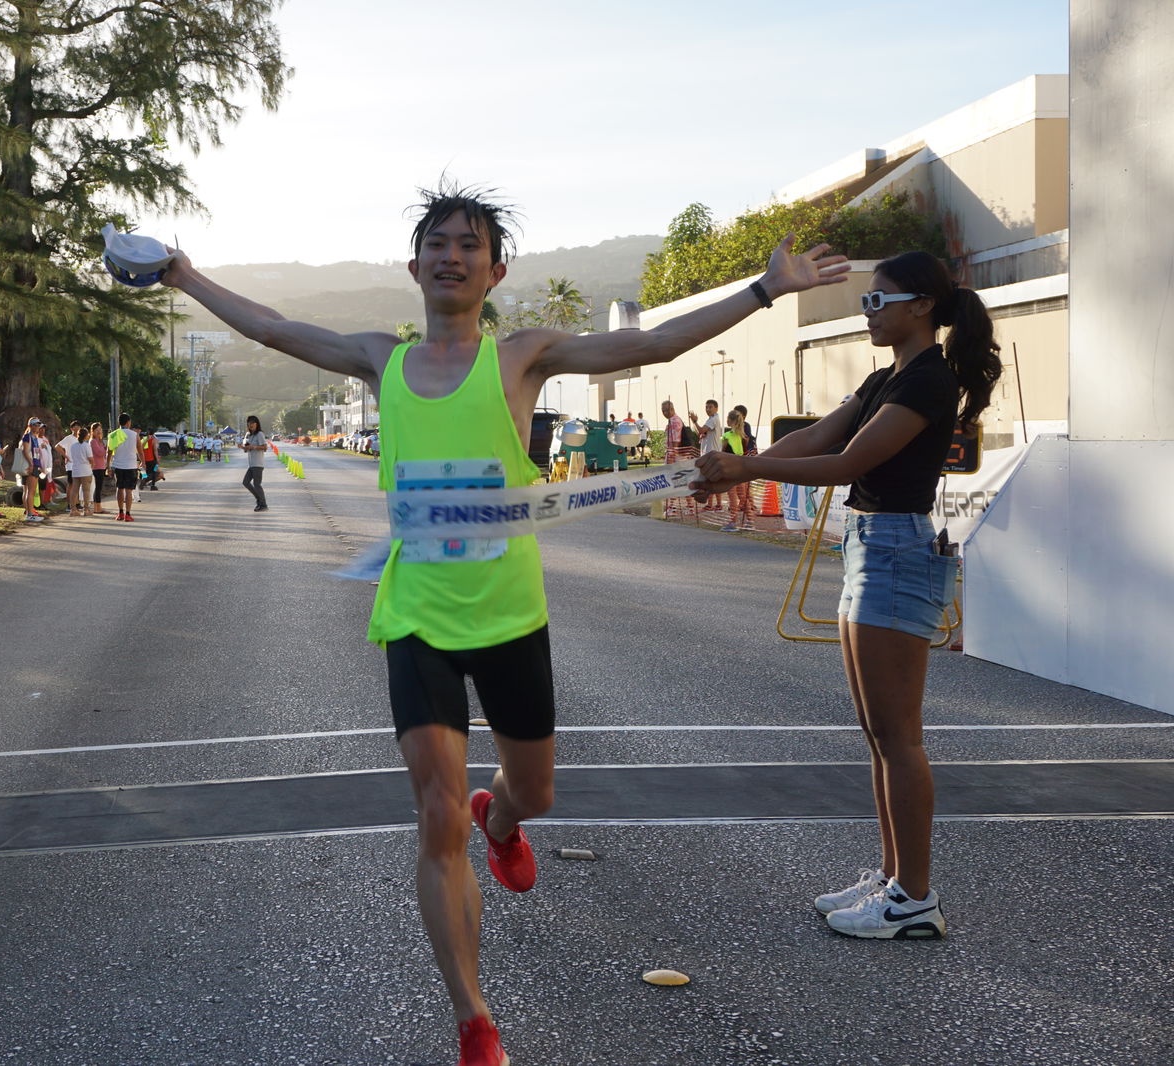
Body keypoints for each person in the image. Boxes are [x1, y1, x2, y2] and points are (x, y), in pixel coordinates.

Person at [160, 182, 847, 1065]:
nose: (451, 255)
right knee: (434, 813)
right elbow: (274, 328)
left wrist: (763, 290)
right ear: (414, 267)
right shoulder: (381, 358)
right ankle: (474, 1021)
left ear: (496, 270)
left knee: (532, 793)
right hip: (415, 616)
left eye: (469, 245)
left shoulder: (524, 357)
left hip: (512, 617)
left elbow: (649, 339)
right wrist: (185, 275)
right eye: (437, 244)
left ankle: (505, 821)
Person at [694, 250, 1001, 940]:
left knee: (899, 737)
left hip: (896, 551)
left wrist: (745, 465)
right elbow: (815, 438)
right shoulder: (887, 376)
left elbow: (848, 463)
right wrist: (734, 467)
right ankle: (894, 880)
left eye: (876, 301)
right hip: (869, 547)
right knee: (877, 735)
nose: (867, 313)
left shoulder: (928, 381)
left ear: (920, 306)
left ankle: (915, 898)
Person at [718, 407, 752, 531]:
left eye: (727, 418)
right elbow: (744, 451)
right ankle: (750, 520)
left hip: (731, 468)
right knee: (743, 496)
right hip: (741, 468)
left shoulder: (727, 436)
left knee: (732, 495)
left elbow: (723, 452)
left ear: (731, 420)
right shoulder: (743, 436)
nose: (726, 420)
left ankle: (732, 522)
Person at [691, 399, 724, 510]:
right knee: (713, 479)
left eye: (710, 407)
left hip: (711, 454)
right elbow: (701, 432)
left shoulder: (713, 419)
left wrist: (694, 421)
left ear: (716, 408)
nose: (708, 409)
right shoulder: (711, 419)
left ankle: (711, 504)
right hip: (711, 453)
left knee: (709, 480)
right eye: (706, 407)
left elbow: (700, 430)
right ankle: (718, 503)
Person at [107, 413, 141, 521]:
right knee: (129, 490)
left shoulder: (113, 435)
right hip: (131, 466)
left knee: (120, 489)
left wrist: (108, 466)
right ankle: (128, 514)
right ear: (128, 422)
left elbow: (109, 452)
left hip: (118, 466)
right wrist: (143, 462)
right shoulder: (134, 435)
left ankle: (120, 513)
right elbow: (140, 450)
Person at [18, 418, 47, 522]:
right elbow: (25, 451)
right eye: (35, 425)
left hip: (34, 465)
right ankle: (30, 514)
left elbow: (35, 453)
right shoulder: (27, 437)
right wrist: (31, 464)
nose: (37, 427)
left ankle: (29, 512)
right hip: (30, 465)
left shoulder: (34, 437)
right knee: (30, 491)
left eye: (38, 425)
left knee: (29, 491)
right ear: (30, 425)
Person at [240, 414, 269, 511]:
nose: (250, 425)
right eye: (249, 424)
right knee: (245, 482)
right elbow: (249, 449)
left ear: (256, 424)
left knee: (257, 484)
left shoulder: (259, 434)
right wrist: (244, 448)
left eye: (252, 423)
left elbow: (265, 447)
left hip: (258, 464)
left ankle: (263, 504)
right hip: (251, 464)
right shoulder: (250, 436)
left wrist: (253, 447)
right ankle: (259, 500)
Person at [89, 422, 110, 514]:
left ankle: (98, 507)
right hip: (96, 467)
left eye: (100, 430)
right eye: (96, 430)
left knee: (99, 487)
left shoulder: (100, 441)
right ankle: (97, 508)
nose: (99, 432)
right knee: (98, 487)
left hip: (101, 466)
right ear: (92, 431)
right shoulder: (93, 441)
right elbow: (100, 453)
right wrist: (106, 449)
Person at [140, 425, 163, 490]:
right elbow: (155, 450)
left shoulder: (142, 440)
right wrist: (157, 459)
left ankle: (143, 479)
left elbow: (140, 448)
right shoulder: (153, 440)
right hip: (152, 459)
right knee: (154, 472)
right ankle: (152, 486)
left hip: (144, 459)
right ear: (153, 433)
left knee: (144, 471)